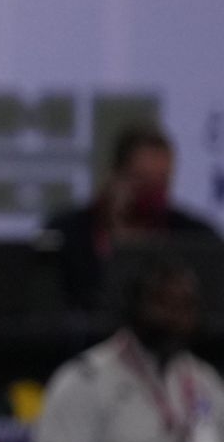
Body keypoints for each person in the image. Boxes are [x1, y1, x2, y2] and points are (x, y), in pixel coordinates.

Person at [28, 256, 224, 442]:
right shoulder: (85, 380)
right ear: (135, 306)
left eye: (186, 306)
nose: (177, 317)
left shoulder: (204, 380)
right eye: (164, 304)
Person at [41, 123, 220, 311]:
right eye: (142, 179)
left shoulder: (196, 237)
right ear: (116, 175)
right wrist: (118, 229)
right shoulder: (66, 232)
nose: (152, 192)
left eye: (161, 181)